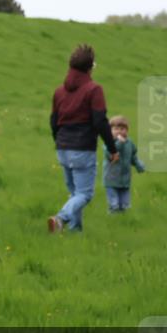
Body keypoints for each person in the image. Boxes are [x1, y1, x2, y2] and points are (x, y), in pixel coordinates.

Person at [47, 44, 118, 233]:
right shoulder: (94, 90)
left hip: (62, 148)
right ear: (91, 66)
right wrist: (112, 148)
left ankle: (75, 229)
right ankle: (60, 219)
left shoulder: (59, 92)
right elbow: (100, 122)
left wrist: (59, 142)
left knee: (75, 193)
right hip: (82, 149)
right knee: (85, 194)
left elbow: (53, 121)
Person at [103, 115, 145, 213]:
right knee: (114, 205)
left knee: (125, 205)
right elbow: (110, 155)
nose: (119, 131)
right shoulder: (109, 143)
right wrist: (120, 143)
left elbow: (133, 156)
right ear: (110, 131)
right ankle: (113, 222)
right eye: (116, 129)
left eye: (122, 129)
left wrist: (139, 165)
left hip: (125, 180)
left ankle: (123, 220)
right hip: (111, 180)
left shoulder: (129, 143)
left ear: (127, 130)